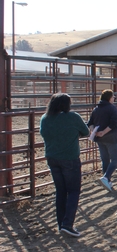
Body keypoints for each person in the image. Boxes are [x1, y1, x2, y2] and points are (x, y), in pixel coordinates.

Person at [40, 93, 90, 237]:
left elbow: (44, 134)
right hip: (69, 158)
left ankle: (61, 223)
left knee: (60, 191)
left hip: (52, 157)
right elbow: (85, 131)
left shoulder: (45, 118)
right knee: (73, 191)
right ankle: (68, 224)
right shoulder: (73, 117)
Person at [87, 89, 117, 193]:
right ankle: (106, 178)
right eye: (113, 96)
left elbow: (90, 123)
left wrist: (95, 132)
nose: (114, 98)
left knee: (105, 160)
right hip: (112, 138)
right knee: (115, 160)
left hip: (99, 139)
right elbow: (114, 123)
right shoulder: (112, 108)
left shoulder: (96, 109)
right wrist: (104, 132)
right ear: (109, 97)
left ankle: (107, 181)